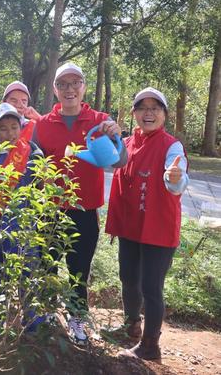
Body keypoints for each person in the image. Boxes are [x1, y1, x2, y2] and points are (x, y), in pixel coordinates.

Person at [33, 62, 127, 344]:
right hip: (49, 210)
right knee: (46, 265)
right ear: (55, 90)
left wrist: (116, 136)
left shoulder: (100, 121)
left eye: (75, 83)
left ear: (84, 87)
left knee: (78, 269)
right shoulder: (43, 125)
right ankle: (47, 314)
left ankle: (76, 319)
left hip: (84, 211)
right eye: (63, 84)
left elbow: (119, 162)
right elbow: (33, 164)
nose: (69, 89)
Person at [105, 88, 188, 361]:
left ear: (165, 115)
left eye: (155, 108)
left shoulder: (171, 146)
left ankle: (150, 345)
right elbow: (108, 161)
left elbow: (175, 179)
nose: (149, 113)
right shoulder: (127, 144)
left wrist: (175, 176)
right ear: (134, 114)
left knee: (152, 287)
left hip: (158, 227)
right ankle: (131, 326)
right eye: (143, 108)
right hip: (131, 226)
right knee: (128, 279)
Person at [0, 103, 44, 330]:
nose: (10, 133)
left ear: (21, 127)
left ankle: (32, 321)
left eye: (14, 127)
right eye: (4, 129)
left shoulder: (32, 152)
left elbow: (42, 182)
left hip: (24, 226)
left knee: (27, 273)